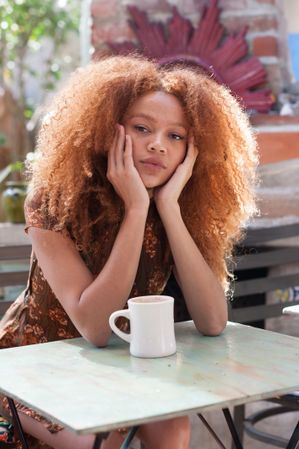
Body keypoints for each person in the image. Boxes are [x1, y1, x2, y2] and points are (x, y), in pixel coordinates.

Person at [0, 55, 258, 449]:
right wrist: (136, 209)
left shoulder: (182, 206)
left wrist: (168, 208)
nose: (158, 144)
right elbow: (97, 328)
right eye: (142, 128)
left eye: (176, 136)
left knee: (172, 428)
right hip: (31, 368)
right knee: (99, 442)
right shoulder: (54, 201)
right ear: (108, 130)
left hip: (117, 367)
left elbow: (211, 322)